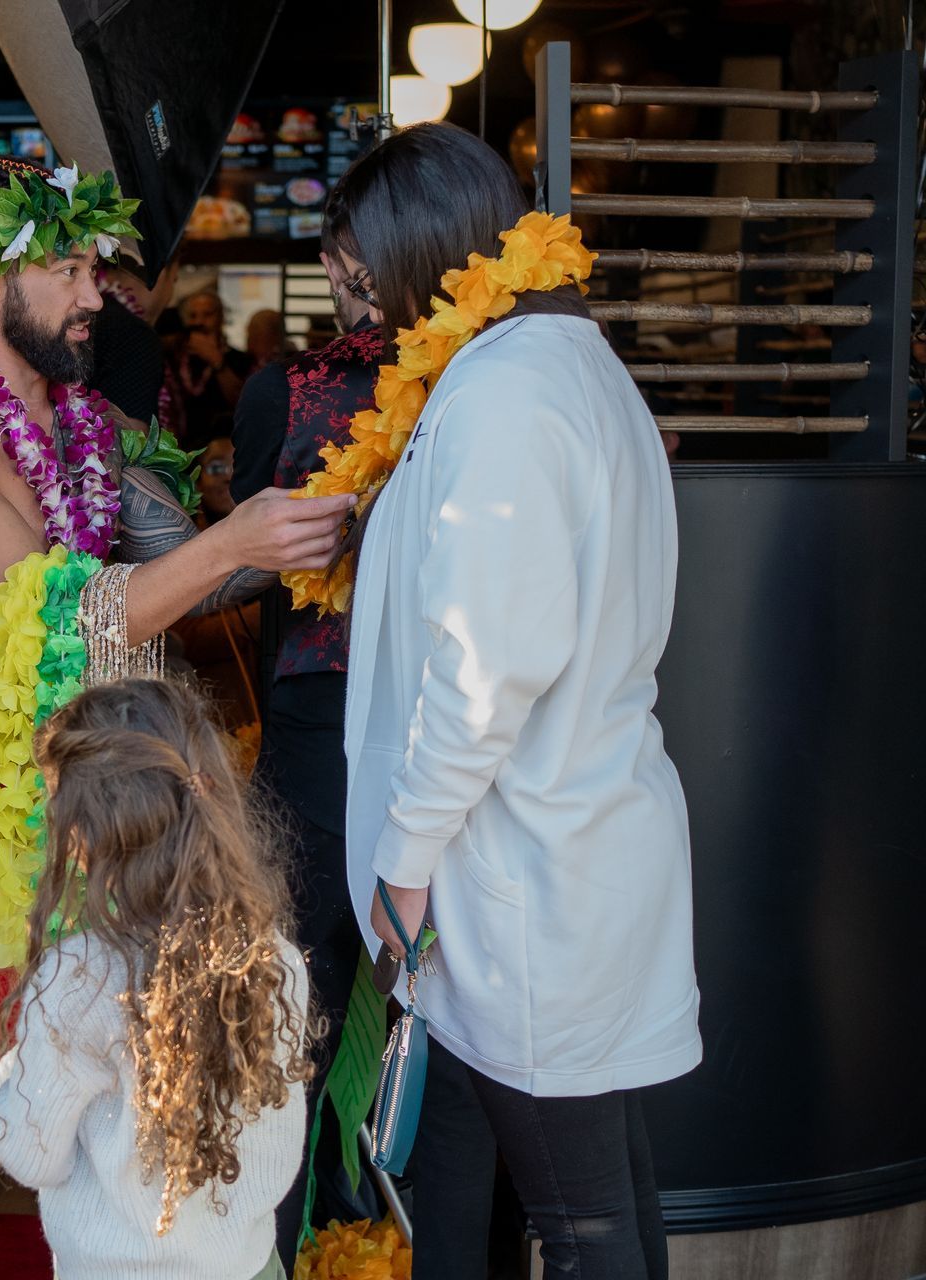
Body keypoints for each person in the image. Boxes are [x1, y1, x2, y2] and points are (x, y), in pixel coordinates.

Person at [0, 153, 353, 1280]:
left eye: (93, 265)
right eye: (69, 267)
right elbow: (59, 617)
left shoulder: (85, 424)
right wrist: (238, 541)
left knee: (130, 1043)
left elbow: (183, 565)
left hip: (123, 784)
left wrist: (328, 514)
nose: (96, 293)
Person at [334, 123, 698, 1279]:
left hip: (530, 878)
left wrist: (403, 857)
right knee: (606, 1199)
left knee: (585, 1227)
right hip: (570, 848)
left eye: (363, 277)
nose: (366, 310)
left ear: (415, 253)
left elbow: (488, 670)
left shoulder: (500, 393)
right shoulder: (568, 363)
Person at [0, 678, 313, 1280]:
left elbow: (30, 1155)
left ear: (80, 837)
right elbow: (274, 1167)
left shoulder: (75, 979)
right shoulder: (274, 962)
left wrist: (4, 1084)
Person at [230, 226, 386, 1249]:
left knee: (290, 1013)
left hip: (318, 717)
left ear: (338, 263)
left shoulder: (287, 390)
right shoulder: (493, 375)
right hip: (453, 715)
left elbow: (252, 563)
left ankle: (284, 1244)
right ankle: (372, 1218)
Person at [89, 258, 179, 430]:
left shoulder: (83, 317)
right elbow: (129, 442)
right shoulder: (133, 333)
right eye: (174, 279)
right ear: (158, 273)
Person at [173, 288, 253, 444]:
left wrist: (216, 361)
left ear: (221, 318)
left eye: (207, 314)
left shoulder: (239, 359)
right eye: (193, 316)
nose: (199, 322)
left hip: (224, 449)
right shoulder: (174, 359)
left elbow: (243, 404)